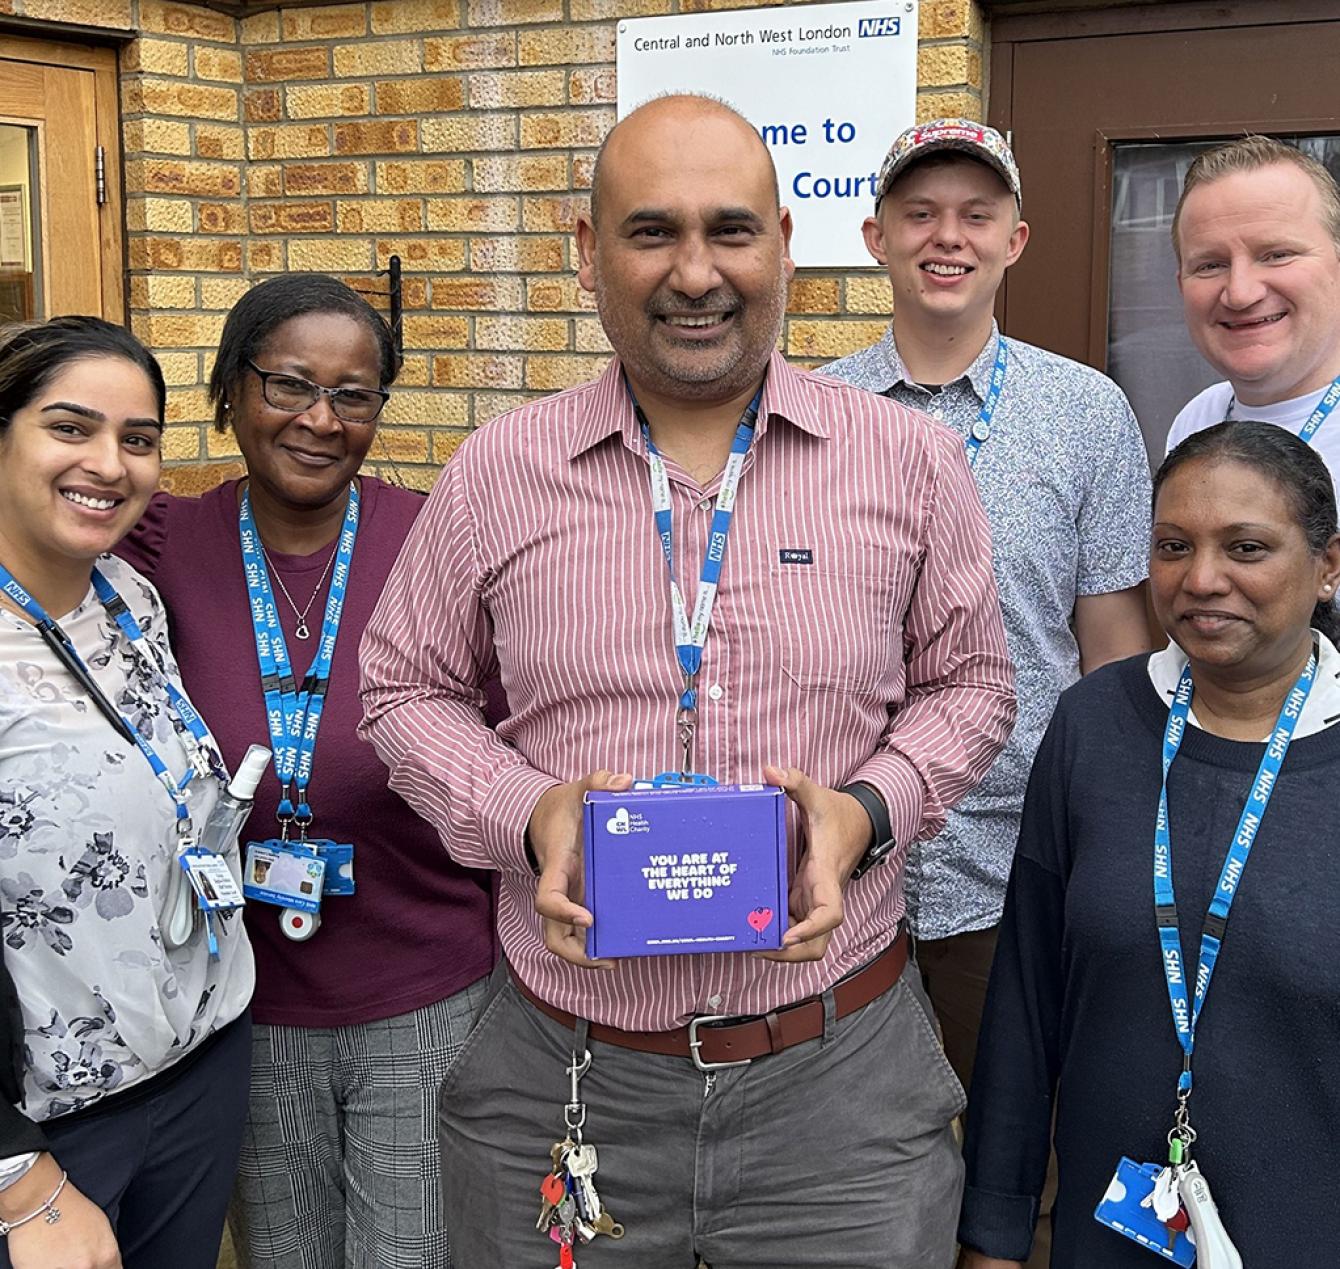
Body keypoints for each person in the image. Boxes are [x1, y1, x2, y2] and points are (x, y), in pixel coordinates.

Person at [360, 94, 1015, 1269]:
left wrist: (864, 814)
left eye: (730, 231)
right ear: (584, 252)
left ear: (784, 248)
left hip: (837, 1090)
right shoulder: (497, 472)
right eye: (651, 231)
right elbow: (403, 691)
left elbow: (971, 684)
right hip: (563, 1081)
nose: (696, 272)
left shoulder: (906, 462)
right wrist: (526, 814)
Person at [116, 274, 496, 1269]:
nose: (319, 420)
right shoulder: (158, 546)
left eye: (354, 395)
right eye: (288, 385)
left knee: (410, 1255)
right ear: (231, 391)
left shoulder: (433, 539)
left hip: (423, 988)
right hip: (242, 998)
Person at [958, 419, 1340, 1267]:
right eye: (1174, 545)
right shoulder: (1095, 724)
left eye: (1246, 547)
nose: (1203, 579)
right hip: (1118, 1232)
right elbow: (1026, 1001)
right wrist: (995, 1229)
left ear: (1328, 567)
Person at [823, 119, 1152, 1093]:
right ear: (874, 237)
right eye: (918, 214)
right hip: (843, 874)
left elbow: (1112, 652)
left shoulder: (1085, 414)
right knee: (851, 1175)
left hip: (1018, 866)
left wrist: (1112, 844)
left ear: (1014, 239)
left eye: (975, 215)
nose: (946, 237)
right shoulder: (812, 413)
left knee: (1015, 1160)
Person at [0, 316, 253, 1269]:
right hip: (50, 1124)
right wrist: (18, 1179)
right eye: (70, 427)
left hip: (197, 1068)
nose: (109, 462)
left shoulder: (127, 597)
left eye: (137, 439)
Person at [1168, 135, 1340, 491]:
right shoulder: (1198, 421)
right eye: (1211, 265)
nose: (1240, 293)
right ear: (1181, 284)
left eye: (1276, 255)